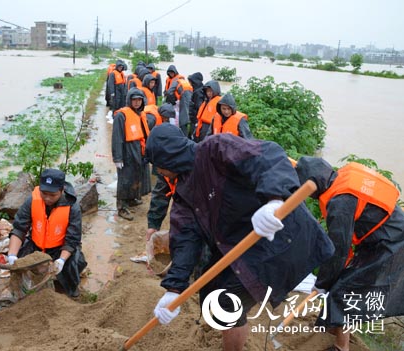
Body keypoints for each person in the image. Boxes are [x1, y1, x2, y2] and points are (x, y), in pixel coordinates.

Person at [145, 123, 334, 351]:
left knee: (226, 302)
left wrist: (274, 199)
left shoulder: (215, 149)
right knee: (211, 291)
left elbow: (268, 156)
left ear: (169, 157)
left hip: (282, 235)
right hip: (243, 245)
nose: (158, 171)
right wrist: (173, 290)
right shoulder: (185, 193)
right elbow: (185, 240)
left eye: (158, 164)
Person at [296, 157, 404, 351]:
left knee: (344, 290)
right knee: (343, 284)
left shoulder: (340, 203)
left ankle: (341, 347)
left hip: (392, 244)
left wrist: (322, 283)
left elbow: (337, 250)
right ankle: (336, 325)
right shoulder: (343, 175)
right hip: (383, 237)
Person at [6, 168, 87, 298]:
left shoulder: (72, 206)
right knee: (19, 260)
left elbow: (73, 239)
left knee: (72, 264)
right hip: (36, 247)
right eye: (44, 193)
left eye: (52, 195)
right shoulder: (33, 200)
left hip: (60, 249)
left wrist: (61, 260)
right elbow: (19, 228)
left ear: (61, 191)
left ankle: (69, 290)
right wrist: (12, 255)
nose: (47, 198)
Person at [111, 88, 151, 221]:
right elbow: (117, 137)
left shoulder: (140, 114)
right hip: (126, 152)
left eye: (139, 99)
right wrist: (118, 157)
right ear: (129, 100)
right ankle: (121, 207)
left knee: (136, 176)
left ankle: (131, 199)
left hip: (138, 151)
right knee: (125, 179)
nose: (137, 102)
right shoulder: (121, 116)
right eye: (134, 100)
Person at [146, 104, 177, 240]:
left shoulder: (194, 171)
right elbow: (160, 195)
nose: (159, 171)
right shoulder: (166, 171)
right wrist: (153, 224)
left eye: (160, 168)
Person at [187, 72, 204, 139]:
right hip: (195, 119)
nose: (190, 83)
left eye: (190, 81)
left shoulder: (198, 92)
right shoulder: (200, 89)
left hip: (195, 120)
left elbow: (199, 107)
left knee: (192, 136)